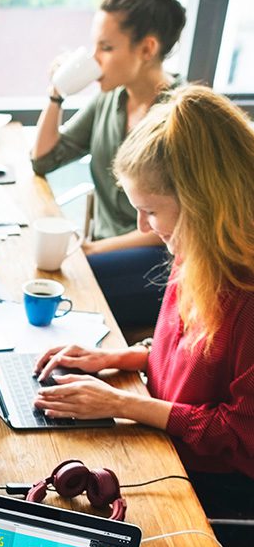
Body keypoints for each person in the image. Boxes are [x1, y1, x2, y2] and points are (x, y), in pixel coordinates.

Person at [34, 85, 254, 520]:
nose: (143, 226)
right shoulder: (199, 249)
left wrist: (122, 404)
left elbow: (241, 435)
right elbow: (194, 361)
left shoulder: (245, 294)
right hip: (166, 441)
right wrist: (120, 357)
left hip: (208, 483)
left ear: (202, 204)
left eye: (151, 211)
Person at [31, 0, 186, 332]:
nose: (94, 60)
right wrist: (57, 94)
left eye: (106, 48)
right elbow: (43, 160)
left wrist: (93, 250)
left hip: (158, 260)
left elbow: (175, 227)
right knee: (49, 273)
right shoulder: (111, 99)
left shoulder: (179, 119)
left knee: (59, 288)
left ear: (146, 49)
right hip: (101, 249)